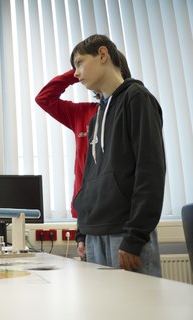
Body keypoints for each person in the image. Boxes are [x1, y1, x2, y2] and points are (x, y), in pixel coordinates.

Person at [71, 34, 166, 276]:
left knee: (138, 313)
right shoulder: (95, 119)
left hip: (125, 236)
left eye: (80, 62)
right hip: (93, 235)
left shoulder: (137, 99)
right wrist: (83, 230)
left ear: (103, 55)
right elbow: (89, 178)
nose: (75, 73)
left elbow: (150, 171)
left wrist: (135, 237)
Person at [35, 52, 131, 260]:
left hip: (118, 215)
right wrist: (79, 72)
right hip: (87, 216)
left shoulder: (127, 108)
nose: (78, 72)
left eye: (81, 65)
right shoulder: (83, 114)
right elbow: (44, 98)